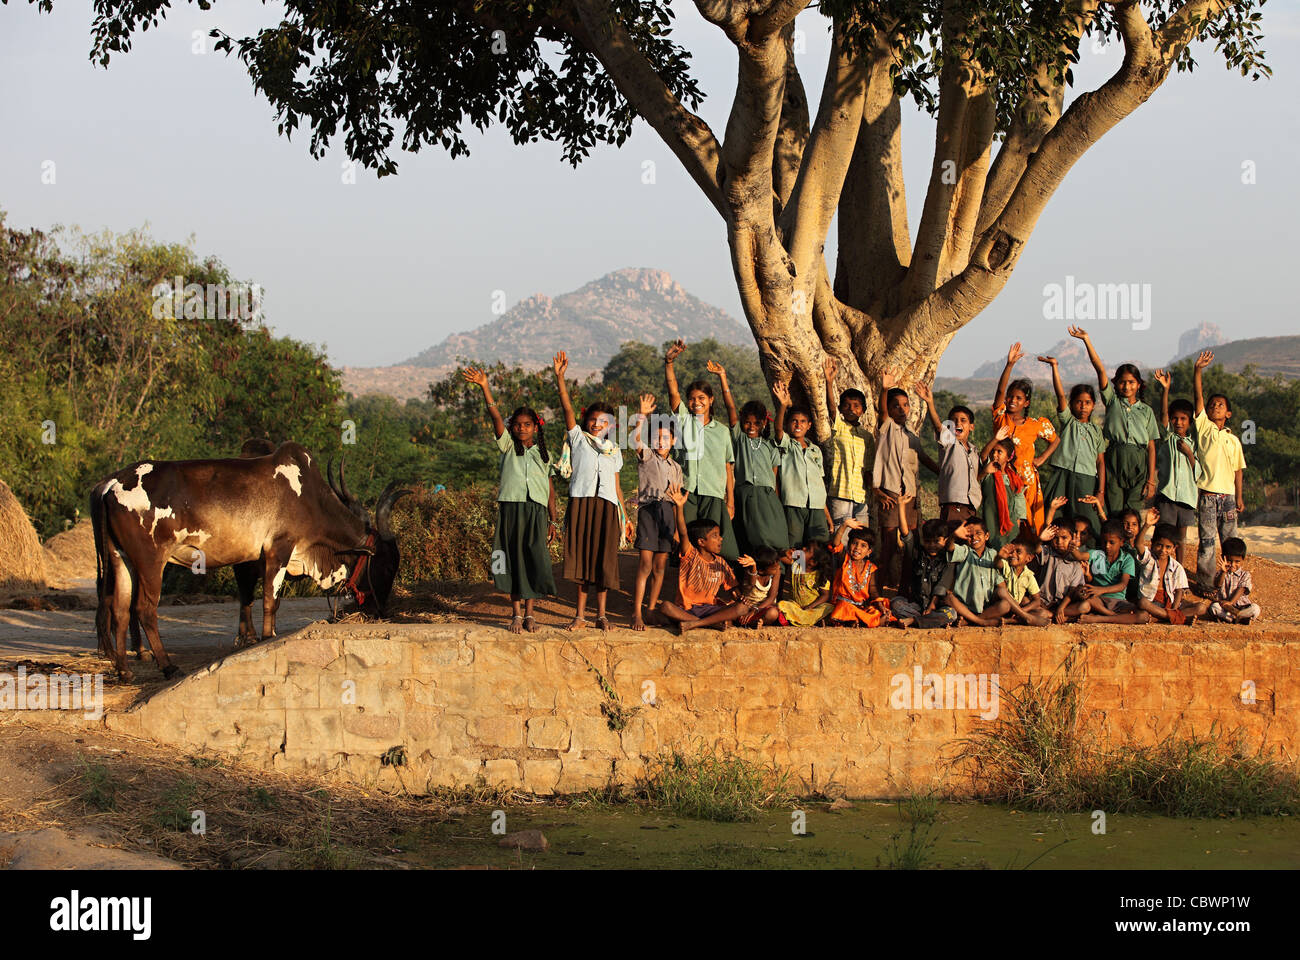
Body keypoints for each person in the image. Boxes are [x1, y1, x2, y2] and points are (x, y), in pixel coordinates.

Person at [462, 366, 558, 634]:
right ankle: (515, 614)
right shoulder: (506, 446)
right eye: (517, 425)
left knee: (533, 559)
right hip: (510, 510)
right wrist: (484, 387)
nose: (521, 429)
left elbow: (550, 490)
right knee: (510, 558)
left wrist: (554, 520)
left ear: (535, 427)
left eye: (527, 425)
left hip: (536, 513)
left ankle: (530, 614)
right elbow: (495, 416)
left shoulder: (543, 454)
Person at [553, 351, 626, 631]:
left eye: (603, 421)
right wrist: (560, 378)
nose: (598, 424)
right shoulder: (579, 440)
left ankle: (602, 615)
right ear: (587, 422)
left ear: (611, 425)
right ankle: (580, 616)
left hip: (607, 507)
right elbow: (567, 410)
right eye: (593, 419)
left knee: (604, 564)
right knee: (583, 562)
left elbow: (617, 486)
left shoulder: (615, 450)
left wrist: (624, 517)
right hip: (582, 504)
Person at [1070, 326, 1159, 515]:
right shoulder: (1112, 402)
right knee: (1115, 508)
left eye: (1131, 382)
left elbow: (1151, 446)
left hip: (1139, 462)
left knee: (1133, 512)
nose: (1127, 386)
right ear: (1116, 384)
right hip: (1114, 458)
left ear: (1139, 385)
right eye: (1122, 382)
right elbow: (1099, 369)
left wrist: (1151, 480)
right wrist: (1087, 340)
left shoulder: (1146, 411)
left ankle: (1132, 545)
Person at [664, 339, 738, 560]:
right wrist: (669, 362)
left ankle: (712, 586)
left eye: (702, 398)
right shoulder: (685, 420)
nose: (697, 402)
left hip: (714, 493)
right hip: (687, 491)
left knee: (715, 545)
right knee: (684, 541)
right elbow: (673, 393)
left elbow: (728, 468)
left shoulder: (722, 431)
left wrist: (730, 501)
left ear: (711, 400)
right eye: (693, 399)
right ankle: (686, 587)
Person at [873, 371, 939, 591]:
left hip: (910, 496)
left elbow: (924, 457)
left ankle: (906, 590)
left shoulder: (911, 435)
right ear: (890, 410)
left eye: (906, 405)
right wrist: (884, 389)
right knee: (889, 546)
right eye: (896, 406)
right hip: (891, 494)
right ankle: (878, 590)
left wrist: (944, 472)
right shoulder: (887, 427)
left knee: (911, 545)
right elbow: (882, 412)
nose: (902, 409)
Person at [714, 362, 789, 555]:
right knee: (753, 539)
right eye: (747, 422)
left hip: (767, 497)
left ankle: (788, 579)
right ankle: (752, 578)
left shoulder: (771, 445)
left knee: (780, 539)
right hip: (745, 494)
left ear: (764, 423)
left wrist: (782, 406)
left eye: (756, 422)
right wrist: (723, 377)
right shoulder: (740, 439)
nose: (751, 426)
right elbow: (730, 407)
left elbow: (775, 478)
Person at [657, 483, 752, 633]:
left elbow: (734, 592)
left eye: (719, 535)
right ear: (701, 542)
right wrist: (680, 507)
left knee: (742, 608)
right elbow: (682, 532)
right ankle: (707, 624)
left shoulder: (721, 563)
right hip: (687, 609)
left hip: (710, 609)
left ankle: (695, 624)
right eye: (715, 536)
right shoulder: (691, 555)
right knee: (665, 606)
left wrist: (741, 598)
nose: (720, 539)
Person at [1192, 349, 1247, 595]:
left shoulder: (1233, 440)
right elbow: (1198, 397)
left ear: (1229, 414)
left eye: (1220, 405)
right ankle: (1205, 584)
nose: (1215, 406)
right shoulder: (1204, 428)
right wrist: (1198, 370)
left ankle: (1230, 583)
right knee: (1206, 542)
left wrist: (1240, 497)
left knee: (1229, 542)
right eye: (1213, 404)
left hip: (1228, 498)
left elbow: (1238, 471)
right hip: (1207, 495)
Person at [990, 342, 1060, 531]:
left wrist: (1042, 458)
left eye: (1019, 398)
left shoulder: (1035, 424)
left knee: (1032, 526)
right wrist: (1009, 365)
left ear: (1026, 402)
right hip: (1004, 478)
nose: (1013, 400)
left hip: (1028, 481)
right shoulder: (1001, 418)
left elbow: (1055, 440)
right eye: (1011, 397)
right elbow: (999, 392)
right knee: (1008, 523)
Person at [629, 393, 682, 631]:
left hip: (668, 514)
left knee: (660, 566)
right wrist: (642, 416)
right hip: (649, 511)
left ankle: (651, 610)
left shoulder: (676, 467)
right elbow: (635, 441)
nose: (661, 442)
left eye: (666, 438)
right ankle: (637, 613)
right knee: (645, 564)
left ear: (673, 441)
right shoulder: (647, 458)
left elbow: (678, 497)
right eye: (657, 438)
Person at [1038, 355, 1104, 540]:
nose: (1083, 406)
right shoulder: (1068, 422)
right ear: (1072, 403)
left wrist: (1100, 491)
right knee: (1054, 512)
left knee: (1085, 517)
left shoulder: (1096, 431)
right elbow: (1060, 395)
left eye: (1088, 403)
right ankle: (1048, 549)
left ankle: (1090, 554)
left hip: (1086, 477)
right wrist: (1054, 367)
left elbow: (1100, 462)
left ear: (1093, 406)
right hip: (1062, 473)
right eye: (1079, 402)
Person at [773, 380, 833, 547]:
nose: (798, 425)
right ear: (788, 424)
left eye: (802, 422)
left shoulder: (815, 450)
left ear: (809, 425)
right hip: (794, 504)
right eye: (794, 421)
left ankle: (818, 574)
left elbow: (819, 483)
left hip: (817, 506)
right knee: (796, 546)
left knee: (818, 546)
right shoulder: (786, 444)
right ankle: (798, 574)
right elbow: (778, 430)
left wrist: (827, 514)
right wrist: (783, 405)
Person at [914, 381, 981, 525]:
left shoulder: (974, 450)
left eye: (963, 420)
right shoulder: (950, 444)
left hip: (970, 506)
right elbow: (938, 426)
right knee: (951, 541)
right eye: (954, 421)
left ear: (971, 427)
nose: (958, 424)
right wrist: (930, 403)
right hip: (953, 505)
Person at [1150, 368, 1201, 555]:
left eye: (1183, 419)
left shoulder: (1193, 444)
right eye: (1175, 419)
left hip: (1187, 498)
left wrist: (1189, 454)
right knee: (1161, 534)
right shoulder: (1168, 439)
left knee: (1180, 538)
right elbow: (1163, 417)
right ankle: (1155, 569)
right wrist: (1165, 390)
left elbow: (1199, 471)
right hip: (1168, 495)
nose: (1178, 422)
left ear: (1189, 421)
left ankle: (1179, 573)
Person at [823, 356, 872, 529]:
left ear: (863, 410)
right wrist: (829, 382)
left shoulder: (867, 437)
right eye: (847, 405)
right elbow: (830, 408)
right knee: (840, 534)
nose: (851, 409)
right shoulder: (839, 427)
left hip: (861, 495)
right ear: (841, 409)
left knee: (862, 535)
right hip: (840, 492)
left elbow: (868, 468)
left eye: (856, 406)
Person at [889, 515, 958, 629]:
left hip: (937, 606)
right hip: (918, 606)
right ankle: (931, 620)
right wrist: (901, 506)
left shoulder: (948, 559)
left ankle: (914, 621)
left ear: (945, 540)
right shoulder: (918, 553)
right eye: (928, 541)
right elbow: (906, 535)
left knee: (952, 614)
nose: (931, 545)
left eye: (936, 541)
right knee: (895, 603)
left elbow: (942, 585)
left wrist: (932, 606)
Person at [1077, 519, 1151, 624]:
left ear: (1122, 542)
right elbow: (1079, 556)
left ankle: (1100, 618)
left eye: (1112, 542)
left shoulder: (1127, 559)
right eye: (1104, 541)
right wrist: (1073, 546)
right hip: (1098, 600)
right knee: (1084, 603)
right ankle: (1114, 617)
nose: (1107, 546)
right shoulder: (1096, 554)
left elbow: (1122, 585)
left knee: (1143, 616)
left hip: (1118, 602)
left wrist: (1101, 590)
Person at [1136, 519, 1209, 624]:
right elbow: (1138, 544)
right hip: (1151, 601)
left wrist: (1174, 609)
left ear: (1174, 548)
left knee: (1201, 607)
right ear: (1152, 543)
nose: (1163, 550)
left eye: (1168, 547)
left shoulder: (1177, 567)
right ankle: (1177, 618)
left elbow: (1179, 591)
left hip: (1170, 602)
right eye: (1159, 545)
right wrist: (1147, 525)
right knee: (1143, 603)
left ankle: (1165, 617)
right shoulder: (1148, 558)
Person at [828, 521, 891, 627]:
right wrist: (844, 525)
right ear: (848, 545)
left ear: (869, 551)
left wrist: (881, 607)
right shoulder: (845, 560)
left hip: (860, 607)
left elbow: (873, 591)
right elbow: (835, 544)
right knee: (843, 607)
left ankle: (856, 621)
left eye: (863, 546)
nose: (857, 548)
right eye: (854, 543)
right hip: (843, 605)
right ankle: (870, 622)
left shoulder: (871, 568)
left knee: (875, 611)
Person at [978, 433, 1027, 550]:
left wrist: (1017, 524)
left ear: (1009, 457)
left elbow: (1019, 504)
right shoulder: (989, 472)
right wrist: (995, 438)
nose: (995, 455)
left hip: (1011, 527)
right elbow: (983, 455)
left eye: (999, 452)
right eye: (993, 451)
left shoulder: (1013, 478)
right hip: (991, 523)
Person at [1035, 523, 1091, 624]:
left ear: (1073, 538)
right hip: (1044, 602)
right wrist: (1040, 539)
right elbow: (1035, 549)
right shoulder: (1048, 552)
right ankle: (1059, 616)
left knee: (1085, 606)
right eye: (1055, 538)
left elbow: (1073, 590)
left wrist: (1061, 608)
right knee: (1027, 602)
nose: (1059, 542)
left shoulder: (1076, 563)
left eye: (1064, 538)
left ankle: (1053, 614)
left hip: (1064, 604)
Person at [778, 539, 833, 627]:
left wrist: (811, 606)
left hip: (813, 608)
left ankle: (810, 620)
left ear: (813, 562)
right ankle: (812, 622)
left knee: (828, 608)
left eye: (807, 549)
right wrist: (787, 553)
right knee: (782, 605)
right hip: (796, 607)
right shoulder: (796, 565)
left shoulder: (820, 575)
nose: (803, 548)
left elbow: (825, 595)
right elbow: (781, 557)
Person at [1209, 537, 1260, 623]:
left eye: (1237, 561)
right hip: (1225, 607)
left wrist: (1231, 602)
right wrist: (1223, 572)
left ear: (1243, 560)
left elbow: (1242, 589)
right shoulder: (1221, 573)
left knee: (1255, 608)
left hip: (1242, 607)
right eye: (1229, 561)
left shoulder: (1245, 575)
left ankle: (1240, 615)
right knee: (1214, 607)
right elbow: (1218, 584)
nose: (1233, 565)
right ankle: (1236, 619)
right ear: (1223, 558)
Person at [735, 547, 783, 628]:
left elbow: (772, 597)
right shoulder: (751, 573)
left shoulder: (777, 571)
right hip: (747, 608)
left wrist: (756, 610)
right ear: (761, 570)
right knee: (736, 611)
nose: (778, 567)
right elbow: (751, 583)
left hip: (763, 608)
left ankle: (758, 622)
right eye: (774, 568)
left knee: (773, 613)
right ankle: (752, 623)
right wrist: (753, 567)